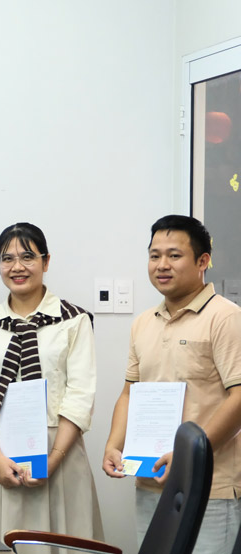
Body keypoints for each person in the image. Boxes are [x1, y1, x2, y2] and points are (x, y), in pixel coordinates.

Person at [102, 215, 241, 553]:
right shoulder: (142, 323)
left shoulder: (226, 317)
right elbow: (129, 392)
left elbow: (239, 398)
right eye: (154, 255)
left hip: (211, 487)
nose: (162, 265)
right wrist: (112, 444)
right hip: (152, 481)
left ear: (202, 261)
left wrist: (189, 456)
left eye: (174, 255)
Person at [0, 222, 103, 542]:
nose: (17, 267)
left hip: (60, 452)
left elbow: (80, 394)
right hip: (0, 452)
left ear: (46, 261)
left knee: (61, 540)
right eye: (6, 259)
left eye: (27, 257)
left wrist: (53, 459)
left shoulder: (74, 320)